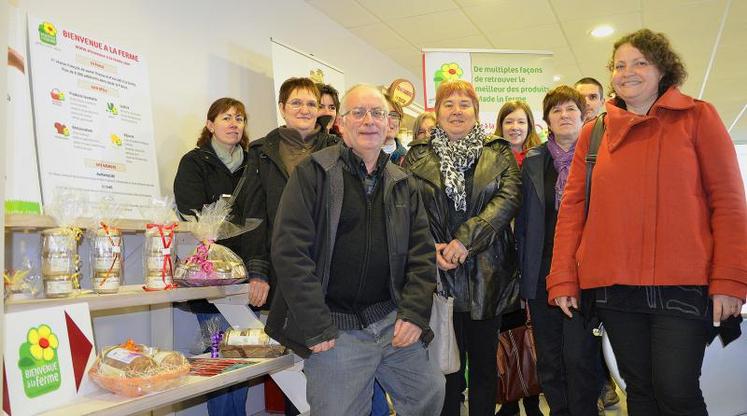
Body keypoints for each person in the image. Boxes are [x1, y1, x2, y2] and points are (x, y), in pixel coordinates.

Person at [548, 28, 747, 416]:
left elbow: (728, 202)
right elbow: (572, 210)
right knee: (638, 391)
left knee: (676, 391)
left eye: (640, 62)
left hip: (683, 283)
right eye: (620, 65)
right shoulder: (595, 132)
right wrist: (563, 278)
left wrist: (730, 280)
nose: (628, 72)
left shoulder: (698, 117)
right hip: (614, 285)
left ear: (662, 69)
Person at [265, 84, 445, 415]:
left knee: (429, 391)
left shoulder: (403, 183)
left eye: (377, 113)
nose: (369, 121)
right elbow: (290, 252)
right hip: (335, 325)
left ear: (389, 123)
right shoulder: (314, 173)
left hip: (391, 319)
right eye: (358, 113)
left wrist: (414, 314)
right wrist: (315, 324)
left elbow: (422, 257)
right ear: (341, 124)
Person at [405, 80, 521, 416]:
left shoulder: (498, 152)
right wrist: (432, 248)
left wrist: (464, 241)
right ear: (437, 112)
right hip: (439, 280)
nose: (457, 111)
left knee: (485, 369)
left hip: (489, 276)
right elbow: (404, 211)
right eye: (449, 104)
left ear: (476, 110)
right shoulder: (417, 157)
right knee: (446, 369)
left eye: (464, 104)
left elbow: (508, 199)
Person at [238, 77, 338, 416]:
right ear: (282, 108)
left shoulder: (337, 150)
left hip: (331, 270)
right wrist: (258, 272)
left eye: (311, 103)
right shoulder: (263, 152)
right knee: (295, 360)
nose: (305, 109)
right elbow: (254, 216)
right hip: (285, 270)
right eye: (296, 103)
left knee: (333, 361)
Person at [515, 86, 601, 416]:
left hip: (584, 273)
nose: (564, 115)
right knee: (549, 357)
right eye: (556, 111)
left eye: (570, 109)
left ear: (583, 116)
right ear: (547, 120)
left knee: (580, 355)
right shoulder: (534, 162)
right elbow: (523, 224)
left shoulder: (597, 158)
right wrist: (524, 280)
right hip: (541, 274)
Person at [173, 97, 251, 415]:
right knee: (218, 357)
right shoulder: (194, 162)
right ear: (210, 125)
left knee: (246, 355)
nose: (234, 124)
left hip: (248, 275)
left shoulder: (254, 164)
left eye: (240, 118)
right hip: (211, 274)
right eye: (226, 118)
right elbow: (191, 209)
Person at [493, 100, 544, 416]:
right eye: (509, 122)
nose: (515, 128)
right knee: (505, 330)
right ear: (500, 126)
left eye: (521, 122)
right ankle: (510, 396)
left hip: (530, 255)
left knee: (532, 330)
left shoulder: (538, 160)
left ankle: (532, 397)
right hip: (499, 258)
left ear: (530, 127)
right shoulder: (491, 159)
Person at [574, 77, 621, 412]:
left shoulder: (612, 142)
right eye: (580, 98)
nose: (586, 102)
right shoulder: (551, 152)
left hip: (611, 263)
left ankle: (607, 383)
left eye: (592, 96)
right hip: (576, 261)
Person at [382, 93, 408, 165]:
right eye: (383, 114)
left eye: (394, 115)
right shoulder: (359, 156)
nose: (388, 120)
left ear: (400, 123)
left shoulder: (410, 160)